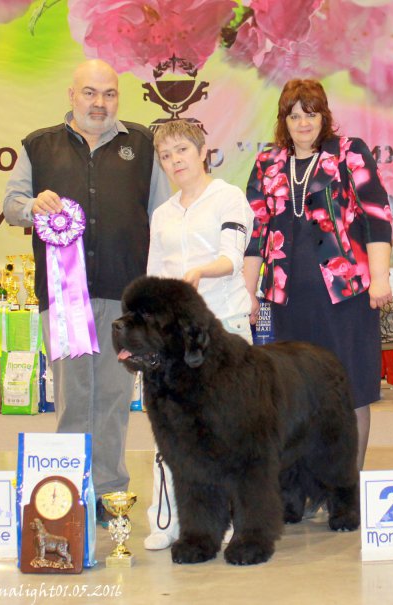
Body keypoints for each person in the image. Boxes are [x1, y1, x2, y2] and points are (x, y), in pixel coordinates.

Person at [3, 59, 170, 521]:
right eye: (90, 93)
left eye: (109, 93)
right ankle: (68, 494)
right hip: (64, 298)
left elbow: (162, 215)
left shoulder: (143, 145)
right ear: (71, 95)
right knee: (73, 399)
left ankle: (110, 493)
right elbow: (11, 205)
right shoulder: (38, 146)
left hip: (126, 299)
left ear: (119, 97)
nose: (100, 103)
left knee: (115, 399)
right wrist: (33, 206)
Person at [243, 79, 393, 472]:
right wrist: (248, 292)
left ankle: (348, 483)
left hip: (347, 298)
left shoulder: (350, 153)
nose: (303, 123)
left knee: (350, 389)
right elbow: (255, 231)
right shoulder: (267, 162)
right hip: (288, 300)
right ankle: (302, 486)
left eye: (310, 114)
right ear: (284, 120)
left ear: (324, 116)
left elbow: (377, 215)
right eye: (294, 116)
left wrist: (380, 278)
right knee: (296, 393)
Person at [144, 119, 254, 550]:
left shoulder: (229, 198)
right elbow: (154, 276)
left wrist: (199, 272)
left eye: (182, 151)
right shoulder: (162, 214)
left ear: (202, 151)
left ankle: (231, 521)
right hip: (174, 345)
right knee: (170, 431)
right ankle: (166, 519)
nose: (175, 161)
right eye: (166, 156)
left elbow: (232, 257)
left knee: (228, 432)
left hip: (225, 327)